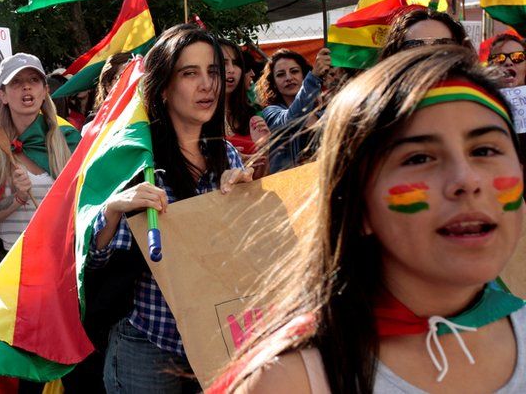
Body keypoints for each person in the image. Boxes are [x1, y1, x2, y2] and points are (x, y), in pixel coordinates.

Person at [216, 45, 526, 393]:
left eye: (485, 150)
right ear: (356, 204)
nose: (467, 181)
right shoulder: (294, 378)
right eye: (419, 157)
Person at [89, 24, 253, 393]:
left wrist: (248, 200)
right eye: (189, 73)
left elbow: (243, 255)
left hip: (216, 344)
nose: (208, 85)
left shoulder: (226, 156)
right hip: (148, 345)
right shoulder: (135, 159)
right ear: (164, 87)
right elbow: (94, 261)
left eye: (212, 71)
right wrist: (114, 209)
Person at [0, 53, 80, 253]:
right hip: (14, 267)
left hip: (63, 260)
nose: (26, 86)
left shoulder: (69, 141)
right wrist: (17, 198)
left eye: (34, 80)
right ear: (3, 95)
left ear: (45, 91)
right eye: (16, 82)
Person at [257, 48, 330, 174]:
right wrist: (314, 78)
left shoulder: (325, 113)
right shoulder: (271, 112)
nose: (288, 78)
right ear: (273, 83)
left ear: (304, 75)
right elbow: (292, 119)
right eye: (280, 74)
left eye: (294, 71)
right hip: (289, 189)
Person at [220, 39, 270, 178]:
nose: (231, 70)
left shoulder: (252, 117)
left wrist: (264, 148)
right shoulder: (196, 119)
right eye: (223, 63)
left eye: (236, 64)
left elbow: (262, 178)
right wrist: (228, 161)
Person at [378, 7, 475, 61]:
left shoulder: (476, 95)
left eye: (443, 45)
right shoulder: (380, 95)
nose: (429, 54)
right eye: (415, 46)